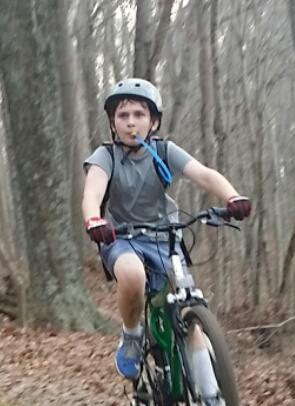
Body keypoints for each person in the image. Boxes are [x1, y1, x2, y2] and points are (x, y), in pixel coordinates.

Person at [82, 78, 251, 387]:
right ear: (113, 122)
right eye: (123, 116)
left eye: (139, 114)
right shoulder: (105, 156)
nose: (131, 122)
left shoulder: (163, 150)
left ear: (154, 121)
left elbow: (202, 174)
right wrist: (94, 219)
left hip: (164, 238)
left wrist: (232, 197)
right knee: (133, 276)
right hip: (121, 237)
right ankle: (132, 336)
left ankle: (214, 400)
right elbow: (93, 191)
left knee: (190, 311)